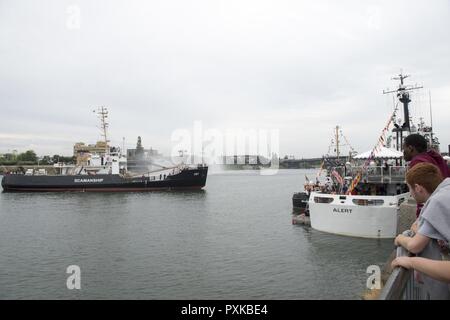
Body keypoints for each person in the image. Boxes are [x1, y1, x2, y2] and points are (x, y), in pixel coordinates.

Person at [393, 162, 450, 299]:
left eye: (410, 189)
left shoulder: (437, 202)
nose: (410, 194)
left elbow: (415, 245)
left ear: (418, 188)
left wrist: (400, 238)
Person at [403, 134, 450, 217]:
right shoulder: (432, 158)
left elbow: (422, 192)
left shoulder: (418, 163)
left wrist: (420, 218)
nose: (403, 152)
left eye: (404, 148)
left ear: (410, 148)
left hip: (433, 212)